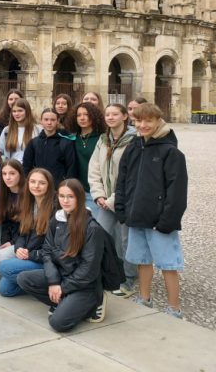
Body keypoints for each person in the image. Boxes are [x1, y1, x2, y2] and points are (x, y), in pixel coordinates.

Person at [115, 103, 187, 318]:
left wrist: (167, 220)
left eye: (148, 121)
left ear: (158, 121)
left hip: (159, 221)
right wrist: (122, 209)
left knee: (168, 264)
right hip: (136, 216)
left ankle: (174, 309)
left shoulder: (171, 152)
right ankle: (144, 298)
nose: (143, 125)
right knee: (142, 260)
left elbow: (177, 192)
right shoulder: (133, 147)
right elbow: (123, 181)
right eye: (138, 121)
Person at [17, 179, 106, 331]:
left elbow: (88, 270)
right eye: (62, 196)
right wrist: (53, 282)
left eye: (70, 197)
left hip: (84, 286)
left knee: (57, 323)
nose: (65, 201)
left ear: (80, 198)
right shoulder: (57, 220)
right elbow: (47, 252)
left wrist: (62, 288)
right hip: (61, 276)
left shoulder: (92, 228)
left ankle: (94, 303)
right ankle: (63, 302)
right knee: (23, 279)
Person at [88, 103, 138, 297]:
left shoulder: (134, 140)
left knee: (127, 241)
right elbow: (94, 169)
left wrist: (113, 199)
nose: (110, 117)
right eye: (107, 114)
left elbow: (131, 175)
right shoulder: (103, 139)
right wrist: (98, 194)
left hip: (125, 200)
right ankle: (103, 272)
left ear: (125, 116)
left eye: (115, 114)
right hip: (104, 200)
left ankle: (128, 280)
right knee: (98, 235)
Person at [0, 168, 55, 296]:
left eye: (42, 183)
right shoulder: (30, 203)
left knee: (4, 267)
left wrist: (31, 255)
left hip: (46, 261)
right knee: (5, 290)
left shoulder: (54, 208)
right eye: (33, 182)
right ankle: (36, 282)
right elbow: (22, 233)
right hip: (29, 255)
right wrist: (18, 248)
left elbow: (53, 248)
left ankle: (57, 283)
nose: (36, 186)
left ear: (49, 185)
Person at [0, 159, 26, 281]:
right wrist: (5, 242)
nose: (7, 177)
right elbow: (6, 222)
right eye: (4, 174)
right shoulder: (4, 194)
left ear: (20, 174)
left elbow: (28, 227)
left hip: (24, 241)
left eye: (12, 173)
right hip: (11, 240)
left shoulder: (28, 195)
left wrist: (13, 242)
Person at [69, 102, 106, 216]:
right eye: (79, 115)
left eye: (86, 114)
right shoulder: (72, 138)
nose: (82, 118)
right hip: (77, 190)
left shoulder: (102, 138)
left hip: (97, 192)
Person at [23, 107, 77, 182]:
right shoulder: (33, 143)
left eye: (52, 120)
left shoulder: (66, 142)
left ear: (57, 121)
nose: (49, 122)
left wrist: (66, 186)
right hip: (39, 186)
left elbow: (71, 167)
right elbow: (26, 166)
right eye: (46, 119)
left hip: (58, 187)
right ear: (41, 121)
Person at [0, 98, 40, 163]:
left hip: (31, 168)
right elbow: (0, 151)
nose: (17, 114)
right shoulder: (7, 130)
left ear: (27, 111)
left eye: (20, 111)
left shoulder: (37, 129)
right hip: (12, 168)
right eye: (14, 111)